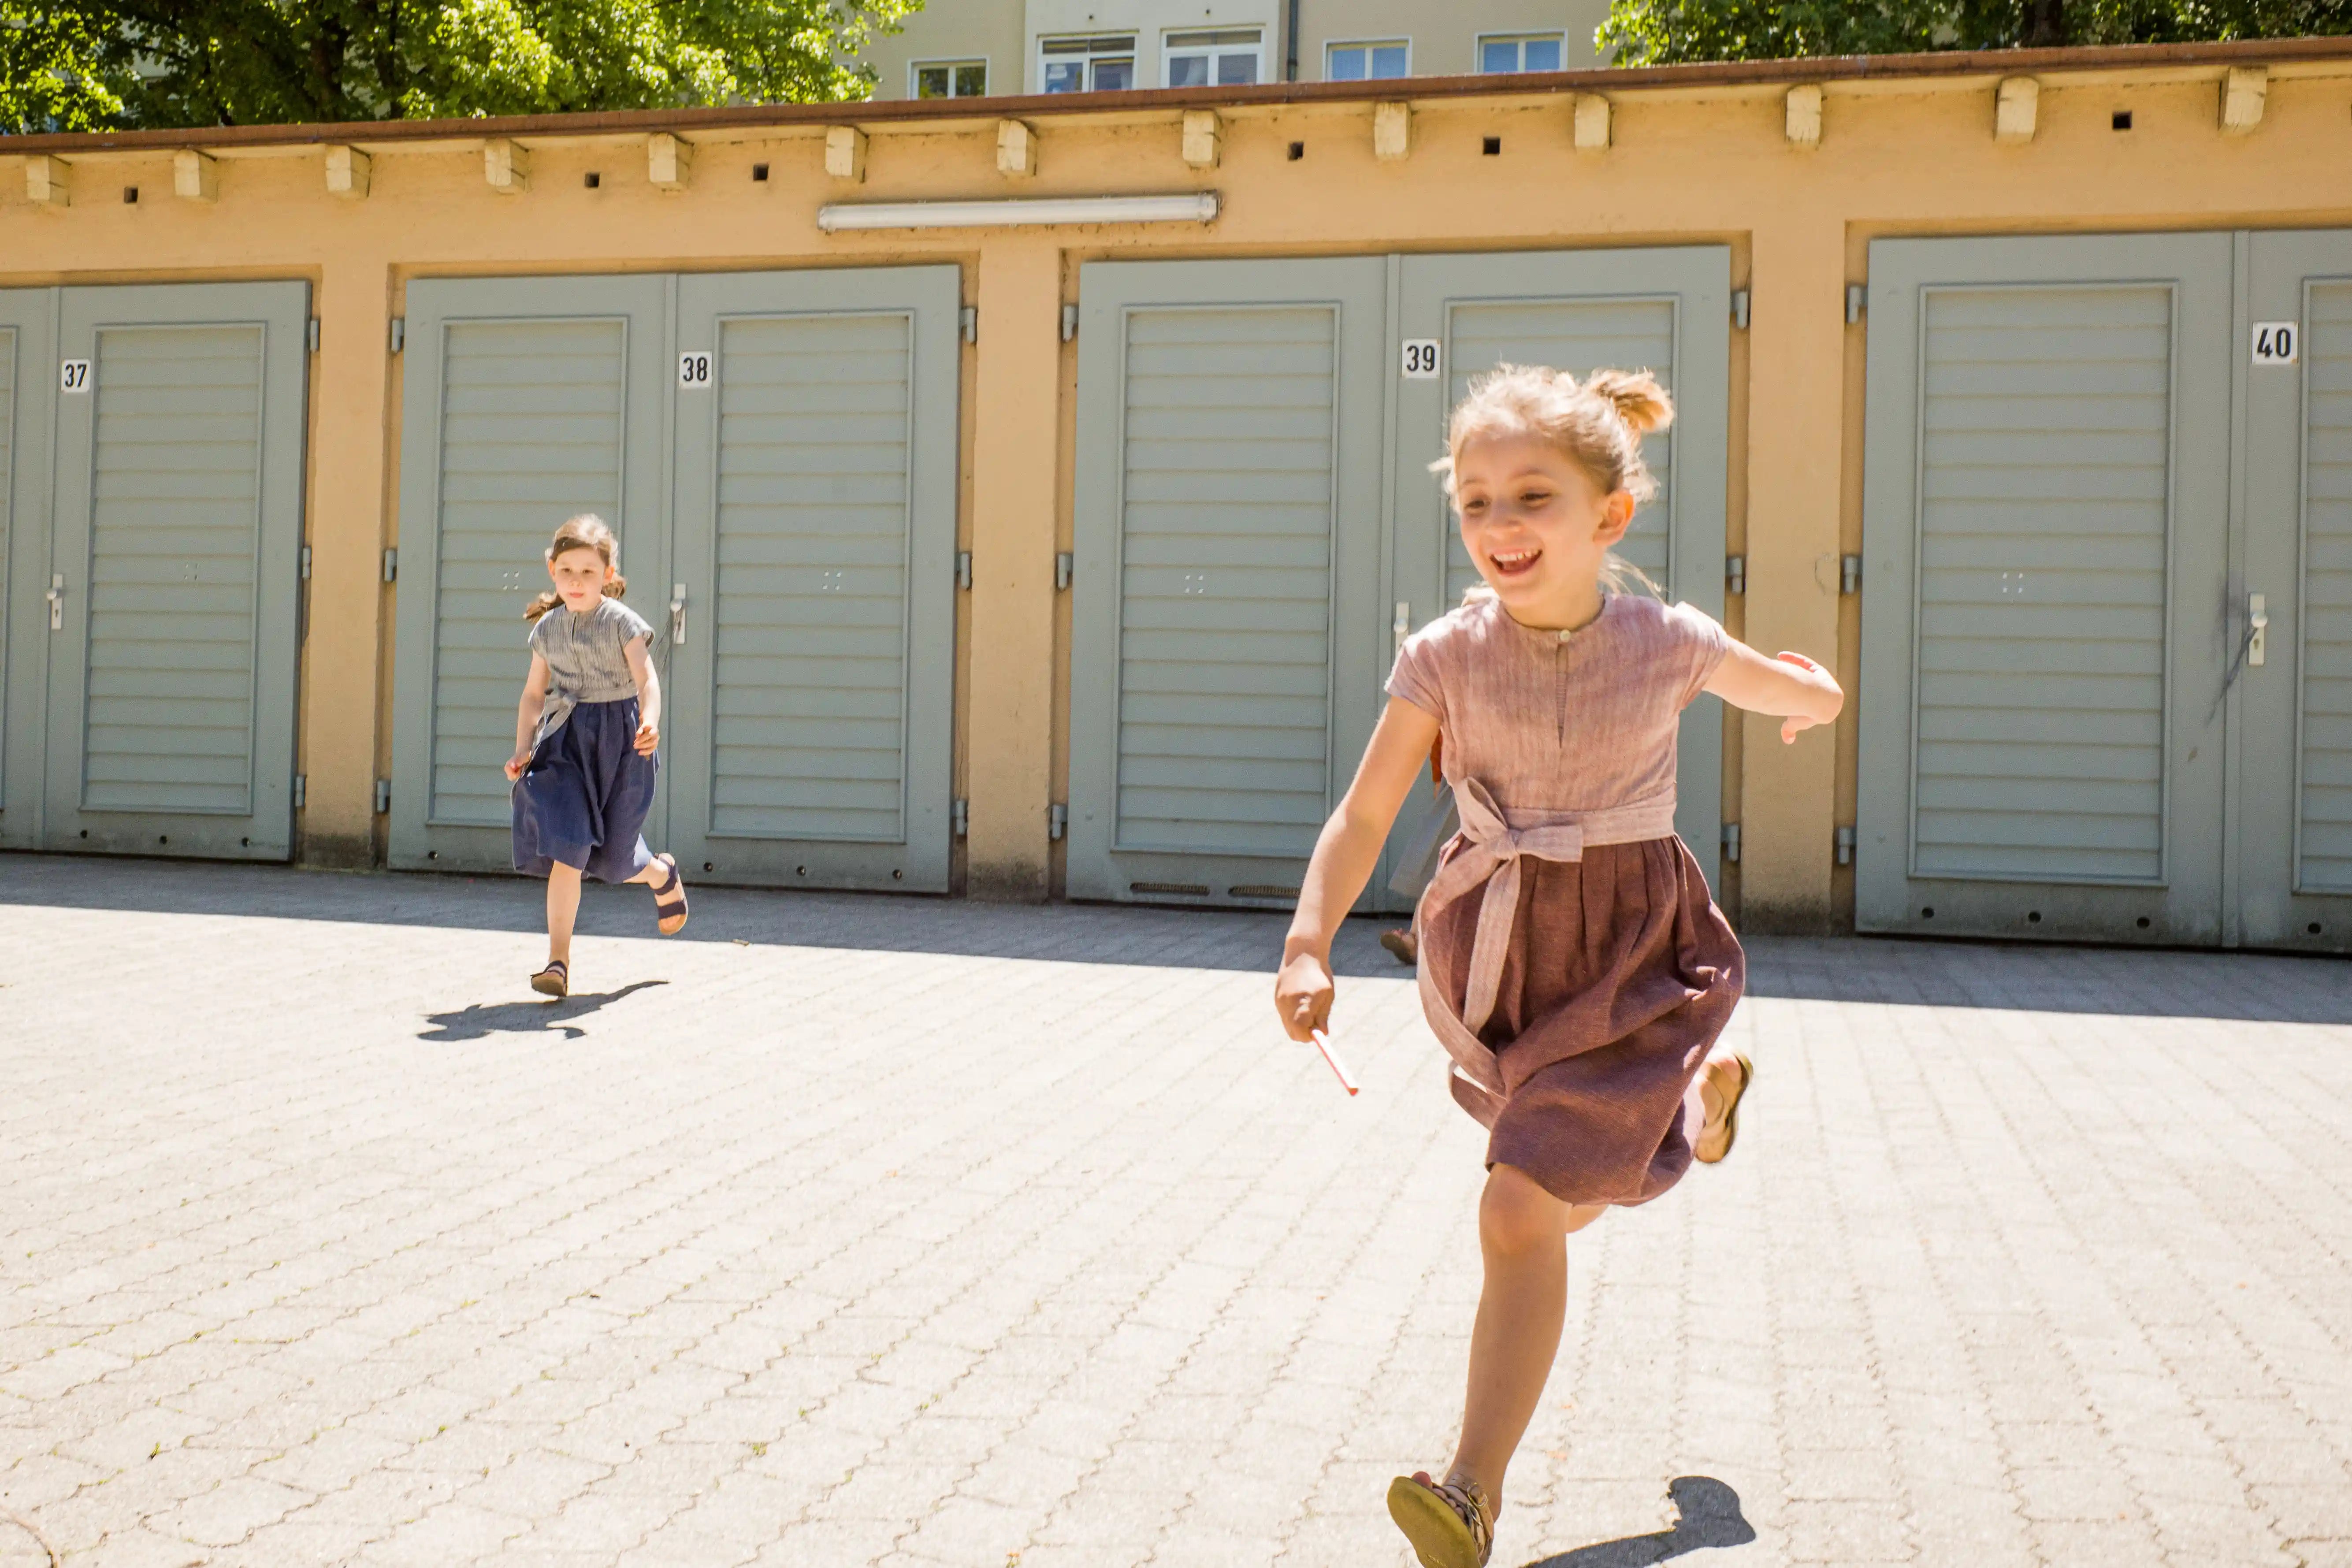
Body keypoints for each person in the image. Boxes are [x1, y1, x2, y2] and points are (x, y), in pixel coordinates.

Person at [1272, 365, 1843, 1568]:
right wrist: (1306, 940)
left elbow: (1783, 686)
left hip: (1637, 951)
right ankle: (1698, 1100)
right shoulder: (1443, 655)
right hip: (1508, 951)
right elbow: (1365, 810)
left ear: (1609, 516)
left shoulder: (1668, 638)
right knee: (1565, 1197)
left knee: (1520, 1200)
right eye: (1475, 501)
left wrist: (1813, 691)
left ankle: (1468, 1490)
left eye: (1531, 495)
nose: (1499, 525)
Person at [504, 514, 688, 999]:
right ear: (552, 570)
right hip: (566, 745)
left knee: (613, 862)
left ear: (608, 574)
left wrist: (651, 721)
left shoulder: (621, 623)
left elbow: (648, 680)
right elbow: (532, 695)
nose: (577, 581)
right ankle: (557, 962)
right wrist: (523, 749)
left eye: (588, 572)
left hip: (622, 742)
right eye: (567, 571)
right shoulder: (547, 630)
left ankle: (661, 873)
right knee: (568, 847)